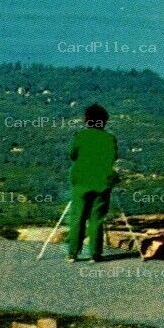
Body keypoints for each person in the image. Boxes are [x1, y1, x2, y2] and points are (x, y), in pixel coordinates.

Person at [64, 103, 118, 262]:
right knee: (97, 217)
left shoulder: (80, 136)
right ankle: (95, 253)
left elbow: (72, 155)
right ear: (104, 121)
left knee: (78, 216)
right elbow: (113, 157)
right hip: (102, 181)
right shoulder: (110, 138)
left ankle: (72, 252)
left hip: (81, 180)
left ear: (87, 120)